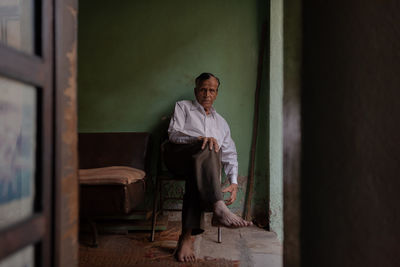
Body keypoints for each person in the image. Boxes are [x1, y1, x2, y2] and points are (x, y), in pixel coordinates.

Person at [164, 72, 252, 262]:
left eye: (211, 90)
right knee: (208, 145)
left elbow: (230, 154)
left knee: (206, 158)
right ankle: (218, 207)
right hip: (178, 158)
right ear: (196, 91)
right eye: (203, 89)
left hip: (199, 171)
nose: (207, 94)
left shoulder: (221, 123)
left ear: (217, 93)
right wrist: (198, 139)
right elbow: (173, 134)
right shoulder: (183, 107)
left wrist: (234, 182)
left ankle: (186, 239)